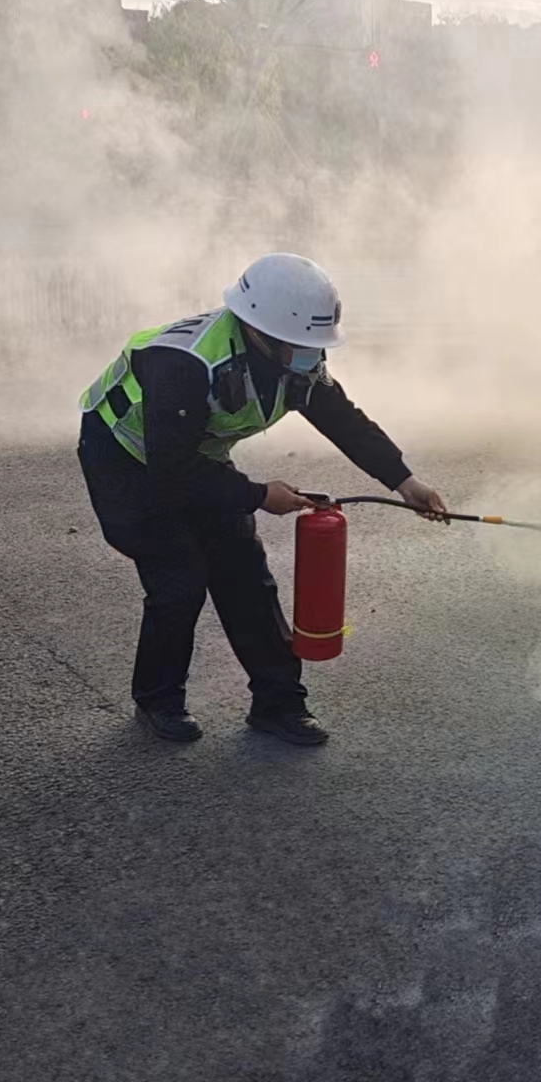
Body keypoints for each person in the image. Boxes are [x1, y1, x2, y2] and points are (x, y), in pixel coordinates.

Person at [76, 253, 448, 746]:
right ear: (259, 330)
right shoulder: (183, 364)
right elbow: (172, 473)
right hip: (123, 457)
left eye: (316, 345)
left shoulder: (293, 358)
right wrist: (257, 495)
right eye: (300, 345)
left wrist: (404, 481)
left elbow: (342, 420)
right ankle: (157, 699)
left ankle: (278, 704)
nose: (312, 356)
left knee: (245, 571)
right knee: (179, 578)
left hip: (194, 456)